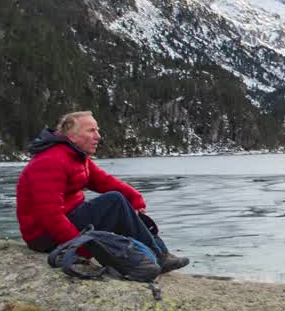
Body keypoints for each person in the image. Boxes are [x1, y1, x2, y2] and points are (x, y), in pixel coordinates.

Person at [15, 110, 190, 273]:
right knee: (114, 202)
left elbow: (105, 181)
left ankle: (160, 254)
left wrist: (135, 198)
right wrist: (79, 246)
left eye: (97, 130)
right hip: (44, 237)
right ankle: (158, 256)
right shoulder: (50, 161)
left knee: (121, 203)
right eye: (91, 131)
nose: (98, 136)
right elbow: (50, 215)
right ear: (72, 136)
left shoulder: (75, 156)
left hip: (70, 219)